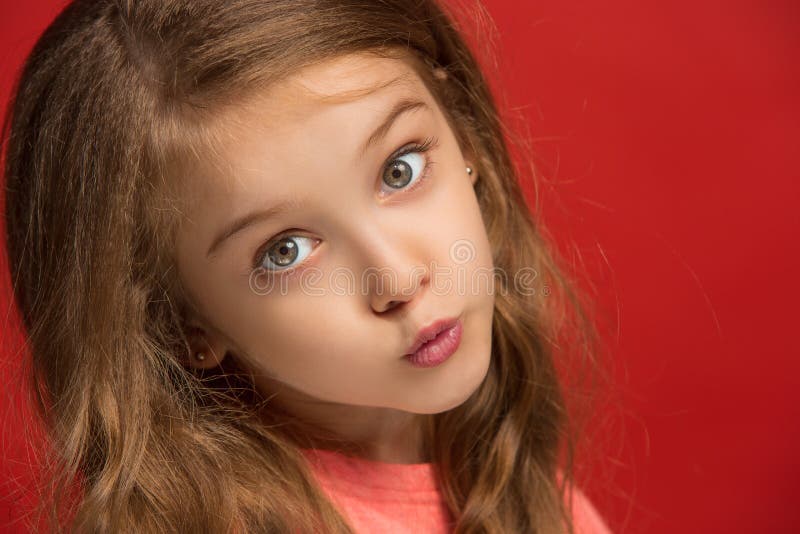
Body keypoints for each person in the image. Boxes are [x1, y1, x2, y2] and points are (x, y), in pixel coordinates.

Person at [2, 0, 612, 532]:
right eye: (285, 251)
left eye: (400, 169)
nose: (399, 281)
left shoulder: (522, 492)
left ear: (466, 136)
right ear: (183, 325)